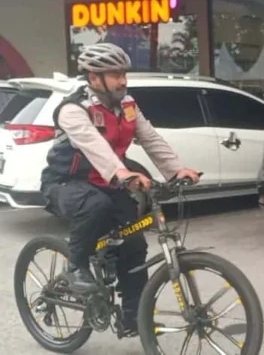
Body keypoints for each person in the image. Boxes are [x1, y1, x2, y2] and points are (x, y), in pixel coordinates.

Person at [40, 42, 200, 336]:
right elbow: (95, 146)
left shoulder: (127, 105)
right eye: (114, 74)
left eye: (123, 73)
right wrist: (123, 174)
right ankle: (75, 266)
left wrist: (176, 169)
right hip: (66, 183)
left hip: (109, 183)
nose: (123, 80)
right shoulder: (74, 110)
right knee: (94, 206)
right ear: (93, 77)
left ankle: (132, 318)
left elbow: (150, 139)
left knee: (134, 246)